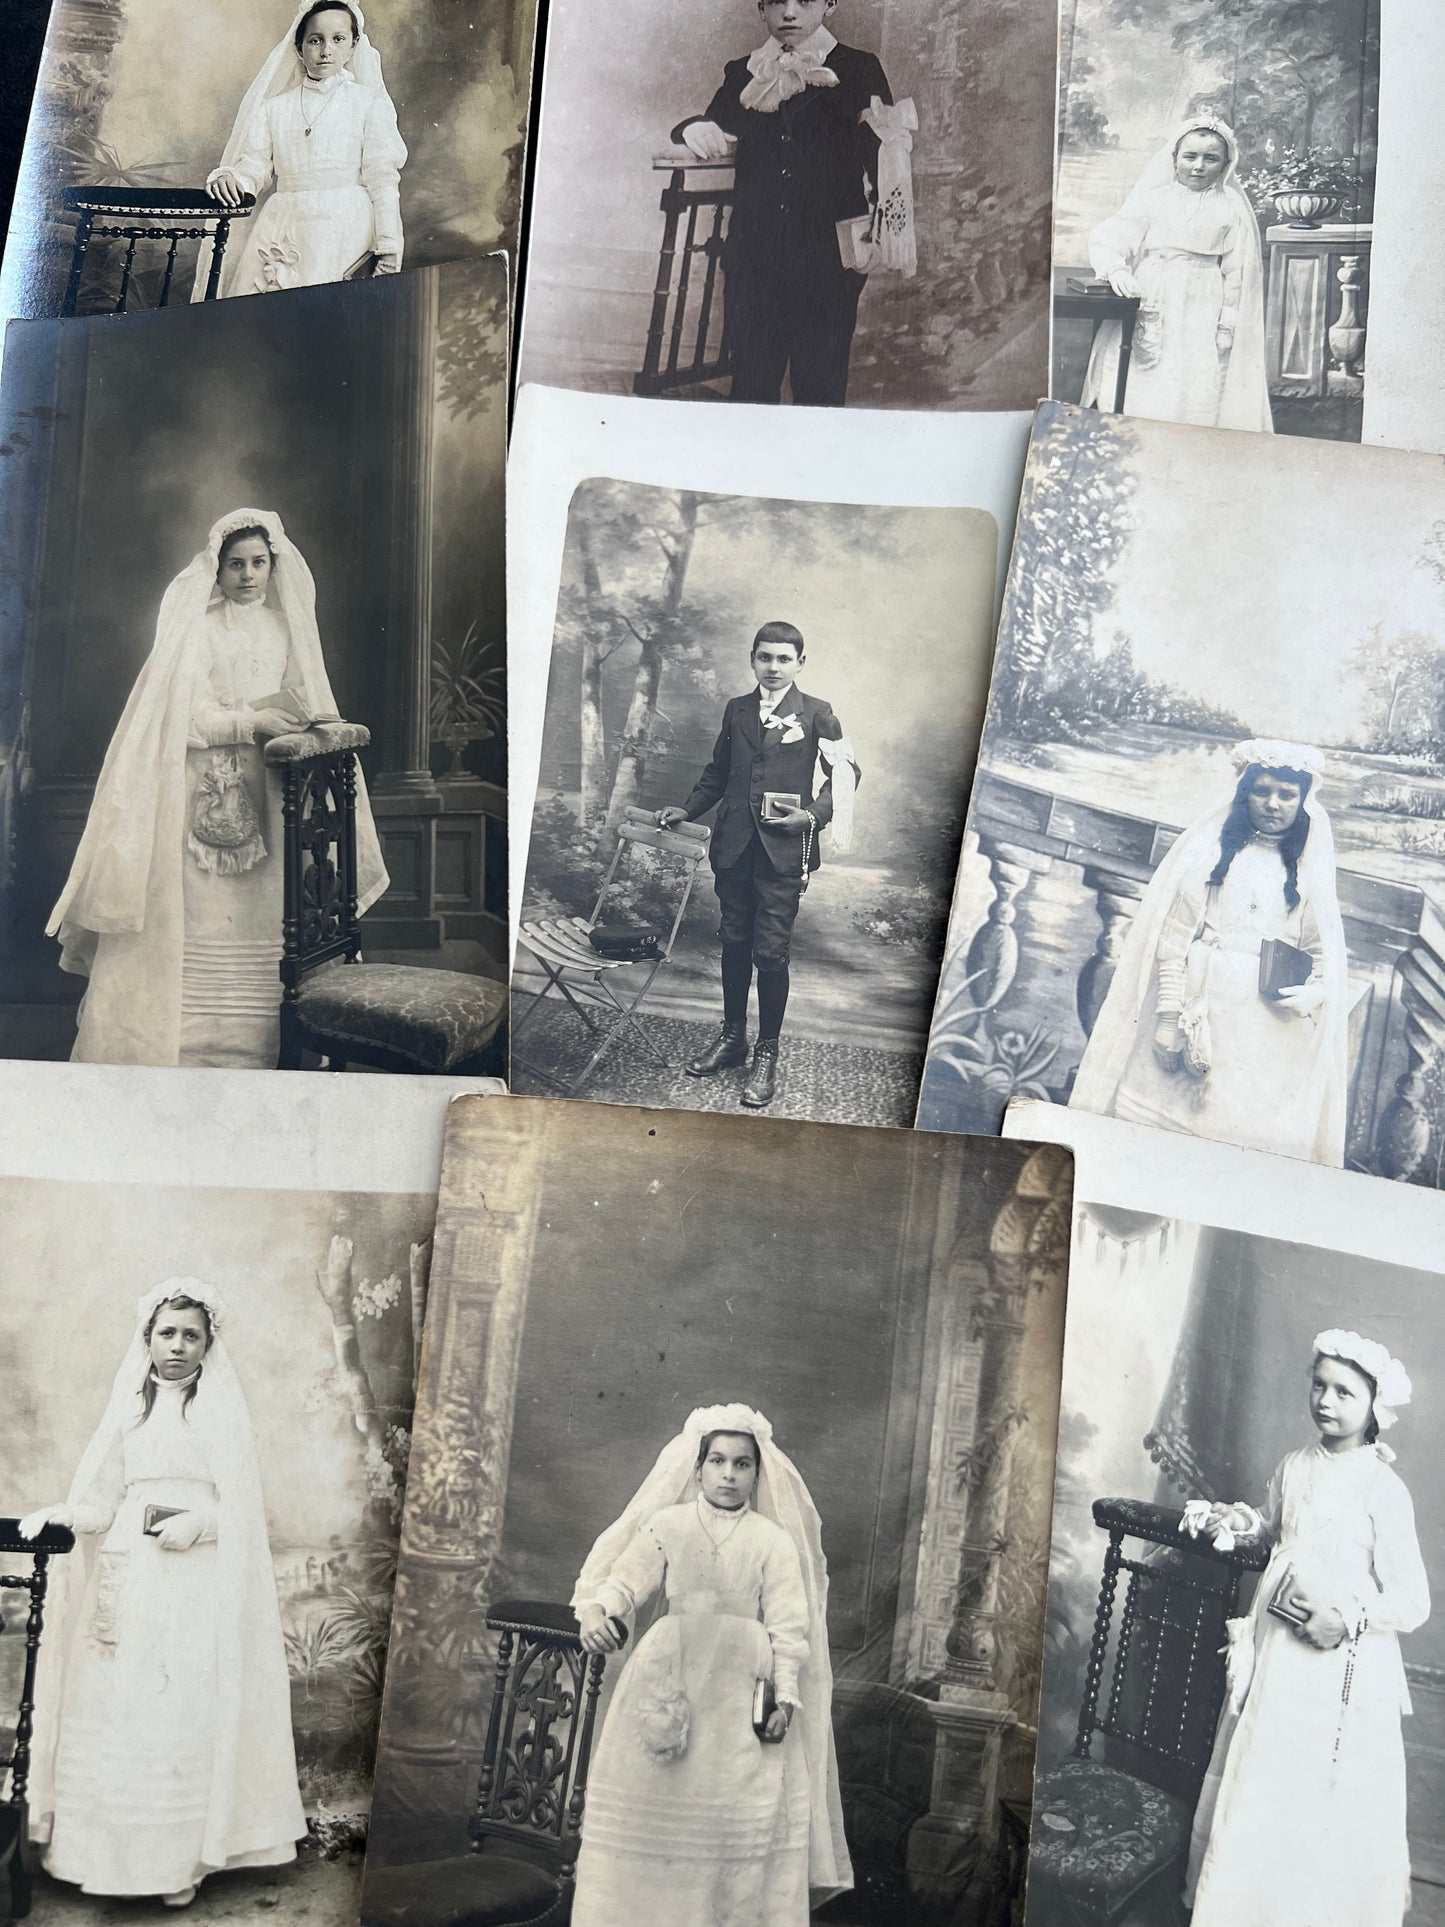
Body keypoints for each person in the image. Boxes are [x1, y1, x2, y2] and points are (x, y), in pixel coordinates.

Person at [47, 508, 388, 1068]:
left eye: (258, 563)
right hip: (202, 782)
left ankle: (268, 1038)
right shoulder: (198, 630)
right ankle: (188, 1040)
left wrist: (292, 715)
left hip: (274, 785)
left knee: (269, 904)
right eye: (235, 564)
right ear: (217, 568)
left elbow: (301, 697)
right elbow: (181, 717)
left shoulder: (285, 628)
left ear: (272, 566)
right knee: (204, 905)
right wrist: (249, 720)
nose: (247, 575)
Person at [19, 1281, 306, 1908]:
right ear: (147, 1339)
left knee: (176, 1703)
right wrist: (65, 1512)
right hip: (128, 1573)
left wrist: (202, 1523)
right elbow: (105, 1499)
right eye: (167, 1333)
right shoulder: (129, 1408)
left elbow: (245, 1510)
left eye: (190, 1336)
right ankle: (93, 1856)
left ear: (207, 1345)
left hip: (193, 1579)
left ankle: (177, 1864)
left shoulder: (220, 1411)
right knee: (118, 1699)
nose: (177, 1346)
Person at [1179, 1331, 1429, 1927]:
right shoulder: (1294, 1465)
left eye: (1344, 1392)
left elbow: (1413, 1600)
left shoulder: (1382, 1488)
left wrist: (1345, 1620)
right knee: (1265, 1768)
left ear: (1374, 1405)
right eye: (1319, 1385)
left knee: (1321, 1783)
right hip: (1277, 1653)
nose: (1326, 1400)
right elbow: (1276, 1531)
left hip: (1339, 1666)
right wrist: (1237, 1521)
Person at [570, 1403, 851, 1926]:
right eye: (717, 1461)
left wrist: (787, 1697)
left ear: (756, 1474)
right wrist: (596, 1611)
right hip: (671, 1669)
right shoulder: (668, 1524)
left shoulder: (772, 1539)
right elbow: (624, 1583)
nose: (728, 1474)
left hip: (741, 1684)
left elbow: (789, 1628)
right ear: (697, 1468)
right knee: (660, 1801)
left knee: (733, 1811)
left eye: (742, 1464)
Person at [1070, 739, 1348, 1164]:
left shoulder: (1308, 875)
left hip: (1266, 1029)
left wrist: (1316, 991)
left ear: (1303, 801)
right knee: (1161, 1137)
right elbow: (1173, 943)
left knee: (1234, 1143)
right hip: (1196, 1009)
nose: (1273, 804)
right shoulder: (1213, 856)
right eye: (1262, 791)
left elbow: (1322, 951)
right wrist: (1167, 1018)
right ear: (1245, 793)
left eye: (1287, 795)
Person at [657, 620, 858, 1109]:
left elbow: (846, 773)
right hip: (734, 849)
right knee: (734, 941)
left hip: (782, 853)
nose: (773, 667)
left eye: (784, 658)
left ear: (800, 664)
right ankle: (733, 1039)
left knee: (769, 952)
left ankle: (766, 1052)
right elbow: (718, 772)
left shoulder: (817, 713)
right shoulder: (737, 709)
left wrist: (812, 815)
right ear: (752, 659)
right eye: (764, 657)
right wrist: (688, 808)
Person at [674, 0, 894, 406]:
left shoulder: (859, 68)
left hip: (827, 263)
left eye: (804, 0)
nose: (789, 12)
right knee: (752, 388)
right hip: (754, 260)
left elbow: (886, 154)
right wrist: (694, 128)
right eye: (776, 1)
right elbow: (715, 122)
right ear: (761, 9)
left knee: (819, 389)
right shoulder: (744, 71)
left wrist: (883, 230)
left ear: (830, 4)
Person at [197, 3, 407, 300]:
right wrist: (231, 178)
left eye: (338, 39)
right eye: (315, 40)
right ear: (299, 48)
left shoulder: (368, 103)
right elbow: (255, 167)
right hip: (283, 224)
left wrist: (388, 245)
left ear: (353, 46)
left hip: (345, 226)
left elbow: (383, 179)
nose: (326, 50)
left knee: (327, 311)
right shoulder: (274, 109)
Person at [1080, 116, 1273, 432]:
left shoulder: (1231, 207)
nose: (1198, 166)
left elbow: (1237, 273)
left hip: (1204, 299)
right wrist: (1116, 270)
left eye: (1210, 159)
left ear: (1226, 164)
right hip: (1153, 289)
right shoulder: (1154, 198)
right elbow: (1110, 236)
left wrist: (1226, 323)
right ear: (1175, 159)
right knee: (1144, 367)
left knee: (1194, 373)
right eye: (1190, 156)